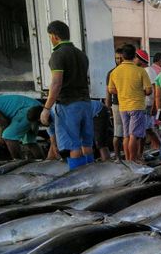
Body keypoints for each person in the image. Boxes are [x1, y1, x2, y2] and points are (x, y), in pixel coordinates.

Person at [39, 20, 93, 170]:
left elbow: (56, 83)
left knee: (73, 145)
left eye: (50, 36)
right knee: (86, 144)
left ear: (54, 36)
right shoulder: (82, 55)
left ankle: (79, 180)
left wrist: (46, 108)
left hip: (68, 104)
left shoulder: (57, 55)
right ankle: (92, 176)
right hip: (85, 103)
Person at [108, 43, 151, 162]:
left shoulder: (115, 72)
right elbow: (148, 90)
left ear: (122, 56)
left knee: (126, 135)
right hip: (136, 106)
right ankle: (133, 161)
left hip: (123, 107)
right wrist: (139, 92)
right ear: (134, 56)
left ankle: (127, 160)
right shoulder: (140, 71)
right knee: (134, 135)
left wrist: (122, 91)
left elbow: (111, 89)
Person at [36, 99, 111, 162]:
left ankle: (107, 166)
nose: (42, 125)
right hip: (82, 116)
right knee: (83, 143)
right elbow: (53, 143)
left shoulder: (58, 112)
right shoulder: (47, 123)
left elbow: (73, 134)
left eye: (41, 122)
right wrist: (50, 159)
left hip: (97, 111)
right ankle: (88, 165)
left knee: (100, 143)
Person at [137, 49, 161, 151]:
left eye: (135, 58)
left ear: (141, 60)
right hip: (147, 104)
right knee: (148, 129)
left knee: (145, 130)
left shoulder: (148, 71)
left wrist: (154, 106)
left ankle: (140, 153)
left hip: (147, 105)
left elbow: (155, 88)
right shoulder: (146, 70)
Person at [105, 48, 124, 161]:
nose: (119, 60)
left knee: (129, 134)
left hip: (130, 105)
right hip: (117, 105)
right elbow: (107, 91)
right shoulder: (111, 73)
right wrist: (108, 106)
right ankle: (117, 157)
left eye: (121, 58)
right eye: (117, 58)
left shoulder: (130, 70)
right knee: (118, 132)